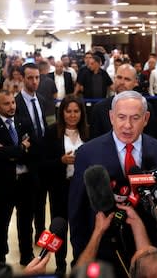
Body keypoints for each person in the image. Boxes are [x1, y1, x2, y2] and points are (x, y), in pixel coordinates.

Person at [68, 90, 157, 277]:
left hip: (147, 251)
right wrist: (80, 256)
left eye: (135, 118)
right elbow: (77, 210)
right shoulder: (87, 153)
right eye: (121, 117)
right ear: (111, 117)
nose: (127, 125)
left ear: (146, 118)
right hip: (102, 250)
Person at [0, 90, 35, 265]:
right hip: (1, 184)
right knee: (1, 224)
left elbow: (32, 150)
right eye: (6, 103)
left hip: (25, 182)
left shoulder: (24, 122)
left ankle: (27, 256)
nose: (12, 106)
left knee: (26, 223)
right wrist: (20, 149)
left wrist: (10, 151)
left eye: (13, 102)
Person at [42, 94, 90, 275]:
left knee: (80, 230)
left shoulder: (89, 133)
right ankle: (60, 265)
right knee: (59, 229)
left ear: (81, 113)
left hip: (82, 190)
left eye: (76, 111)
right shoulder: (52, 132)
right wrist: (61, 161)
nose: (72, 115)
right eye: (68, 111)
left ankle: (78, 263)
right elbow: (43, 164)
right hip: (60, 189)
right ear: (61, 113)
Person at [15, 62, 48, 262]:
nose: (34, 81)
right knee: (26, 210)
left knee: (42, 204)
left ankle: (40, 236)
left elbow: (48, 126)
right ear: (22, 78)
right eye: (30, 78)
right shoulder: (16, 103)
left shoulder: (43, 100)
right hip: (26, 164)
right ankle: (25, 252)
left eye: (37, 77)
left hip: (43, 162)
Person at [90, 64, 157, 138]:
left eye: (127, 79)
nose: (122, 82)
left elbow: (151, 139)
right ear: (114, 78)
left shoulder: (146, 108)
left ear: (136, 82)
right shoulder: (99, 108)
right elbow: (95, 141)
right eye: (119, 77)